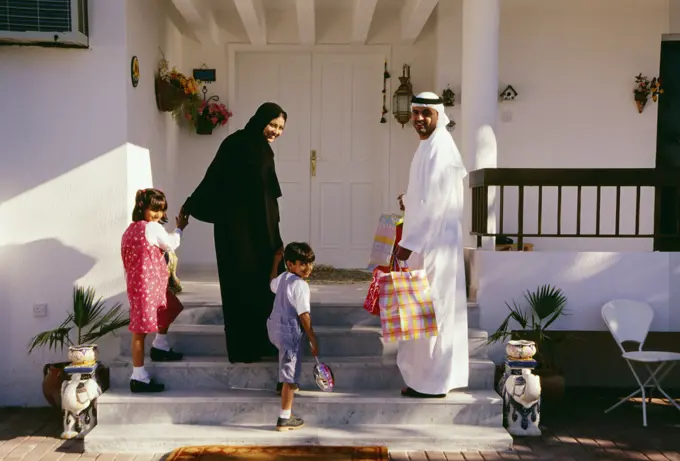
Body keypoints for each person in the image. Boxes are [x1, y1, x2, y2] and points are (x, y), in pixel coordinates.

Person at [181, 102, 287, 363]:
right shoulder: (236, 143)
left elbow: (267, 196)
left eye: (281, 127)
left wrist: (274, 234)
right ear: (260, 119)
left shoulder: (263, 150)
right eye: (272, 124)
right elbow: (214, 176)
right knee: (239, 286)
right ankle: (243, 349)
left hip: (262, 231)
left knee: (264, 286)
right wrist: (191, 204)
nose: (275, 131)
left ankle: (264, 343)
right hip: (237, 233)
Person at [393, 91, 469, 398]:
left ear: (439, 115)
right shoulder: (428, 147)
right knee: (421, 312)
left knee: (432, 310)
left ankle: (432, 382)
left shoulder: (441, 148)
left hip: (433, 246)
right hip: (426, 245)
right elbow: (424, 196)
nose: (420, 119)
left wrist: (409, 243)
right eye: (416, 113)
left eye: (426, 113)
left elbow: (436, 204)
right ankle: (422, 379)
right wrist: (407, 201)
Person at [121, 188, 188, 393]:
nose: (158, 215)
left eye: (161, 210)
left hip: (141, 286)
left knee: (171, 307)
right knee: (139, 333)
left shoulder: (130, 230)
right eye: (154, 210)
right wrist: (180, 228)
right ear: (143, 208)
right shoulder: (152, 228)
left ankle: (160, 345)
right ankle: (138, 376)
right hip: (149, 286)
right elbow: (170, 245)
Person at [267, 242, 318, 432]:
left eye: (310, 263)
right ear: (291, 264)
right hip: (289, 332)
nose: (308, 268)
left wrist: (275, 262)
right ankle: (284, 417)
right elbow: (304, 314)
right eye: (303, 264)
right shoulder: (301, 286)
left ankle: (281, 385)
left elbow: (271, 282)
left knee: (285, 357)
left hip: (274, 328)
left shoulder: (282, 278)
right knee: (291, 376)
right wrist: (312, 337)